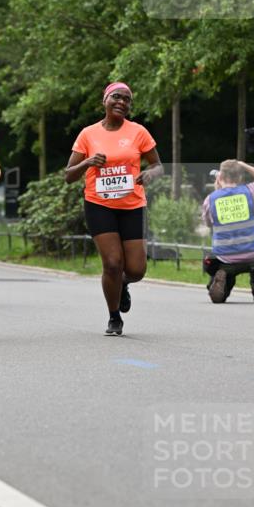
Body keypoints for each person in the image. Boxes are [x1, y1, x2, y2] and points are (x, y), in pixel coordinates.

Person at [65, 81, 163, 335]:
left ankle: (122, 284)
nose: (122, 102)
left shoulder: (138, 132)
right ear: (105, 101)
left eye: (127, 100)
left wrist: (150, 175)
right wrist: (87, 162)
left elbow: (157, 165)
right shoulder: (88, 134)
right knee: (112, 263)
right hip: (99, 205)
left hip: (132, 204)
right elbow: (68, 175)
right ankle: (114, 316)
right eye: (117, 97)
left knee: (136, 270)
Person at [202, 159, 254, 303]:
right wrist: (244, 165)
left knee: (214, 262)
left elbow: (209, 224)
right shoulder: (251, 192)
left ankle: (218, 283)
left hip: (226, 259)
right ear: (240, 177)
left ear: (220, 177)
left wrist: (218, 191)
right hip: (252, 256)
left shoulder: (211, 199)